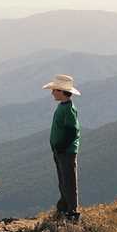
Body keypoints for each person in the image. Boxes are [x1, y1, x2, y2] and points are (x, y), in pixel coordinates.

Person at [43, 74, 81, 221]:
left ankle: (72, 211)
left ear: (61, 91)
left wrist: (62, 146)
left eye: (54, 90)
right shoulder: (64, 106)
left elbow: (73, 130)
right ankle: (64, 206)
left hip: (66, 152)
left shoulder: (68, 109)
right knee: (63, 180)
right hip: (61, 151)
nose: (52, 92)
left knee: (68, 181)